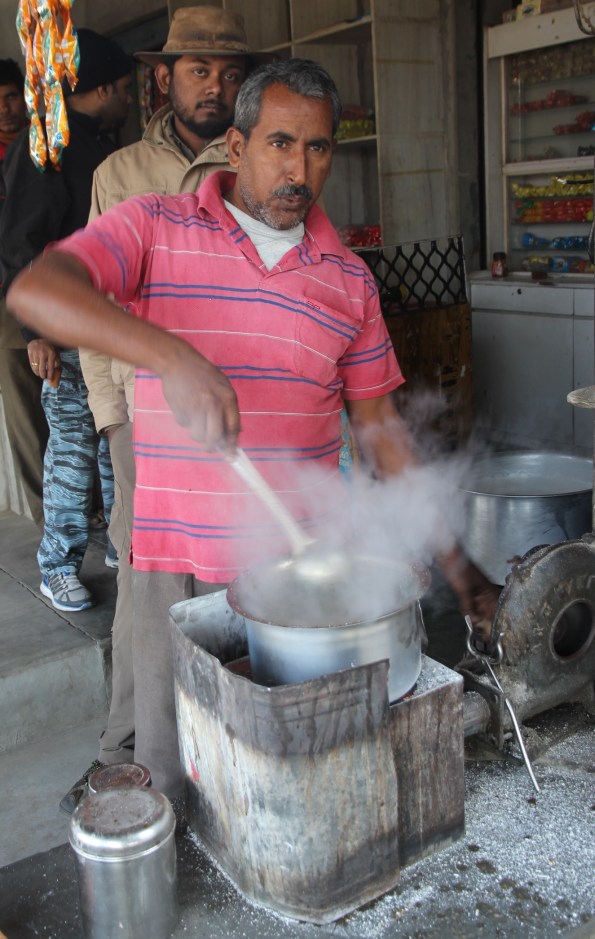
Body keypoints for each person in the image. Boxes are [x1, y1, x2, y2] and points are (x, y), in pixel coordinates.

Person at [8, 58, 499, 801]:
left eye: (318, 147)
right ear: (236, 148)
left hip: (294, 575)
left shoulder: (349, 282)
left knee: (285, 785)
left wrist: (462, 571)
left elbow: (382, 434)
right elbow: (38, 289)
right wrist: (171, 355)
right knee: (181, 779)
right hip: (175, 570)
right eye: (279, 144)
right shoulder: (156, 225)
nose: (299, 170)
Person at [77, 6, 265, 786]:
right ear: (164, 77)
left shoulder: (260, 167)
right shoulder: (119, 175)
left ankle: (226, 750)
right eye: (198, 70)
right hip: (144, 418)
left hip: (237, 411)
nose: (213, 86)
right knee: (146, 590)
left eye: (229, 73)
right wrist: (110, 416)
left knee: (233, 579)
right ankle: (131, 753)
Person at [0, 29, 132, 612]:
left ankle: (118, 543)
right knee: (73, 449)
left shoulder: (99, 143)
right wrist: (38, 333)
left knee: (113, 440)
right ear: (100, 89)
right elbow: (19, 246)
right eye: (123, 88)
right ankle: (56, 563)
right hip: (65, 328)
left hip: (107, 326)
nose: (128, 99)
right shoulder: (48, 145)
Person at [0, 58, 48, 528]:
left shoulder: (47, 146)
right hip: (6, 303)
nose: (4, 108)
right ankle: (45, 510)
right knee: (25, 410)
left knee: (71, 398)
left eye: (11, 97)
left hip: (55, 289)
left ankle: (83, 501)